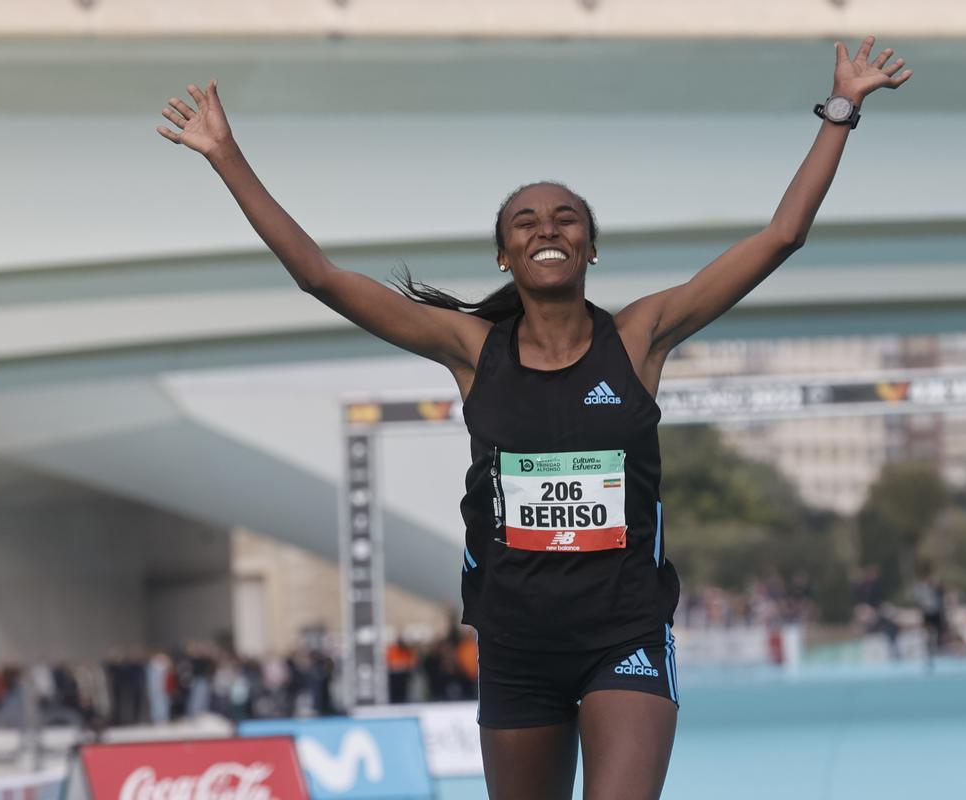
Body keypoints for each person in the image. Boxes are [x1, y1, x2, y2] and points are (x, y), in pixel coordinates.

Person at [157, 36, 911, 800]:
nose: (546, 228)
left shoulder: (642, 336)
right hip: (515, 645)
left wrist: (841, 110)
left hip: (625, 638)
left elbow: (781, 236)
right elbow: (319, 276)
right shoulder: (469, 349)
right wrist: (226, 155)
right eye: (525, 222)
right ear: (503, 257)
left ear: (591, 248)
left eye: (565, 218)